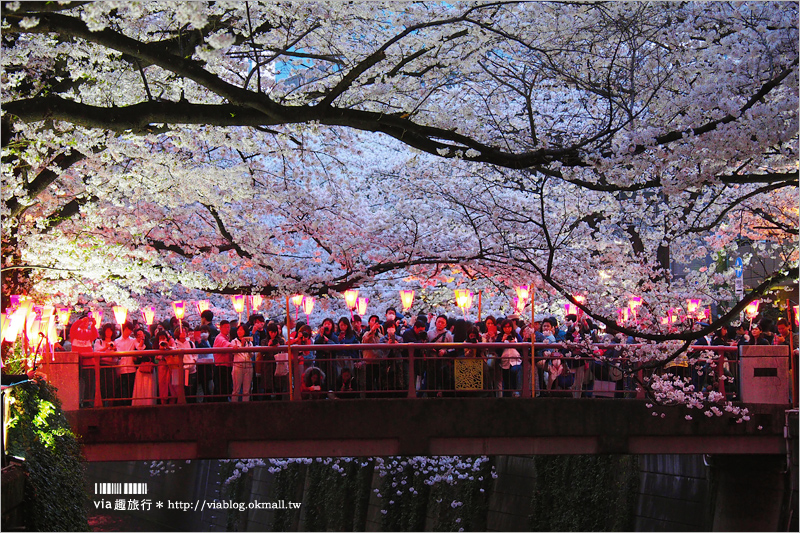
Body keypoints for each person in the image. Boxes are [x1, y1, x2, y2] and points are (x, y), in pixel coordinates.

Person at [426, 315, 455, 397]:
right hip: (431, 360)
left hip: (443, 361)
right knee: (431, 379)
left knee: (441, 377)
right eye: (438, 322)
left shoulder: (449, 335)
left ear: (445, 325)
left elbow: (451, 348)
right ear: (435, 322)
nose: (440, 324)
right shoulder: (429, 333)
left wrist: (445, 351)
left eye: (442, 323)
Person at [94, 323, 119, 406]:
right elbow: (96, 351)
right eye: (107, 331)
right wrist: (106, 348)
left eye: (110, 331)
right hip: (102, 366)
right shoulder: (99, 341)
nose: (109, 332)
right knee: (102, 386)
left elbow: (117, 357)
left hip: (112, 366)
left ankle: (110, 404)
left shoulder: (115, 342)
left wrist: (114, 350)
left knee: (111, 386)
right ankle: (102, 403)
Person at [131, 328, 157, 406]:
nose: (140, 336)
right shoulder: (135, 345)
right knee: (140, 389)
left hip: (149, 369)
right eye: (138, 335)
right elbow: (136, 357)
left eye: (141, 334)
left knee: (149, 388)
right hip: (140, 369)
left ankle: (149, 404)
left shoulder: (149, 345)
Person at [379, 319, 405, 396]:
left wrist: (397, 344)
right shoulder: (382, 339)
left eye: (392, 327)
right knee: (387, 380)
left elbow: (402, 349)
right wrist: (388, 344)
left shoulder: (400, 338)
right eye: (389, 327)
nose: (391, 329)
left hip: (397, 361)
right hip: (386, 362)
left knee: (398, 380)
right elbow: (382, 350)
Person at [114, 321, 137, 406]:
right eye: (128, 329)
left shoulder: (133, 341)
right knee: (120, 388)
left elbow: (140, 347)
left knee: (130, 388)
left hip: (131, 368)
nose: (129, 331)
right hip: (121, 368)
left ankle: (129, 404)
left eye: (130, 330)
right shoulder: (116, 341)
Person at [499, 318, 523, 397]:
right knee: (506, 380)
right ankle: (507, 396)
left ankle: (515, 390)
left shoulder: (516, 335)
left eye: (509, 327)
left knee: (514, 371)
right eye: (505, 327)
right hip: (504, 362)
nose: (507, 329)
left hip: (516, 360)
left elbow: (522, 346)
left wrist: (514, 343)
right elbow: (496, 348)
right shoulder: (500, 336)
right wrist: (502, 340)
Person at [231, 324, 254, 402]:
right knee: (236, 390)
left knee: (246, 391)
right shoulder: (234, 341)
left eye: (241, 330)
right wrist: (242, 345)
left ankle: (245, 407)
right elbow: (233, 353)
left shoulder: (249, 342)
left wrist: (247, 346)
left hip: (248, 366)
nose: (239, 332)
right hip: (238, 366)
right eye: (238, 330)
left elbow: (251, 354)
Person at [212, 320, 234, 402]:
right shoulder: (220, 338)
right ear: (220, 328)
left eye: (228, 327)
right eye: (225, 327)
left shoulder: (226, 338)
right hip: (221, 366)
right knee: (221, 387)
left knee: (224, 387)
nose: (227, 329)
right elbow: (227, 345)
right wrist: (234, 346)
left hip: (225, 366)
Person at [175, 325, 197, 403]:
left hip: (191, 370)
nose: (184, 333)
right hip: (179, 370)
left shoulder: (190, 343)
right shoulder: (175, 344)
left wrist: (193, 361)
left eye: (185, 331)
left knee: (191, 391)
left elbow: (195, 355)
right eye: (182, 331)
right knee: (178, 391)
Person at [195, 325, 214, 402]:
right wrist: (199, 341)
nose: (204, 334)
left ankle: (208, 400)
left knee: (208, 387)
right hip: (200, 368)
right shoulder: (197, 342)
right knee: (202, 387)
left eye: (205, 332)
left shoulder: (211, 341)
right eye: (202, 332)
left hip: (209, 367)